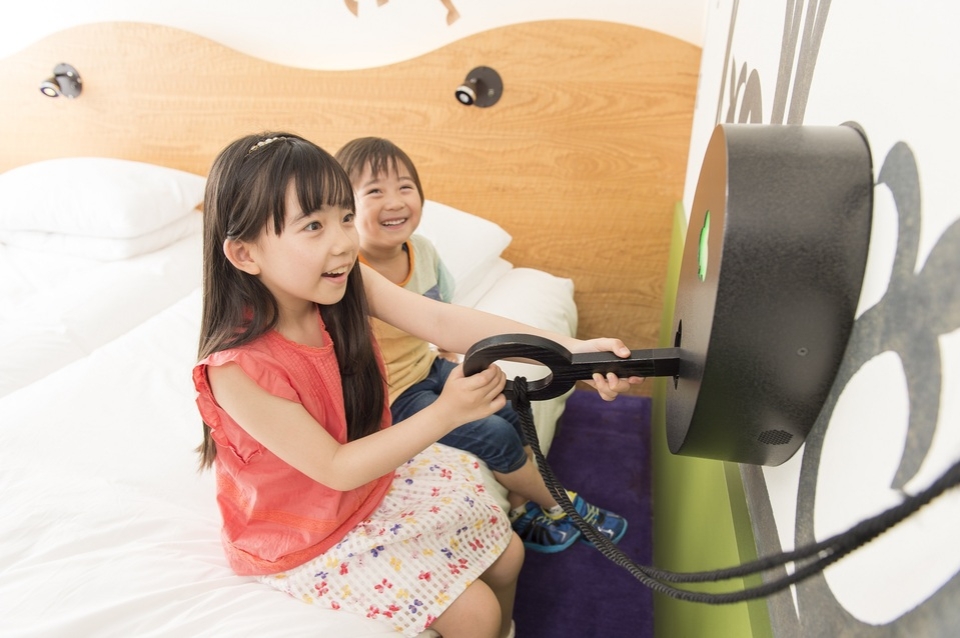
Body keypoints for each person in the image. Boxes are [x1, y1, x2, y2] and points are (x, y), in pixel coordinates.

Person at [193, 132, 640, 638]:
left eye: (345, 217)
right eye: (313, 225)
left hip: (365, 487)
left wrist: (570, 351)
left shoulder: (345, 284)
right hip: (302, 533)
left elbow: (441, 321)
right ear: (245, 253)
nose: (344, 242)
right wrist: (447, 412)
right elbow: (336, 469)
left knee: (509, 552)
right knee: (477, 614)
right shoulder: (237, 368)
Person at [335, 137, 640, 554]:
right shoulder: (345, 272)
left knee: (510, 406)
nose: (395, 201)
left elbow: (440, 313)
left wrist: (446, 353)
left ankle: (521, 507)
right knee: (493, 436)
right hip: (391, 395)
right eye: (374, 191)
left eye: (405, 187)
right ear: (345, 211)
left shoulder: (422, 251)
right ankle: (563, 505)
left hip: (426, 366)